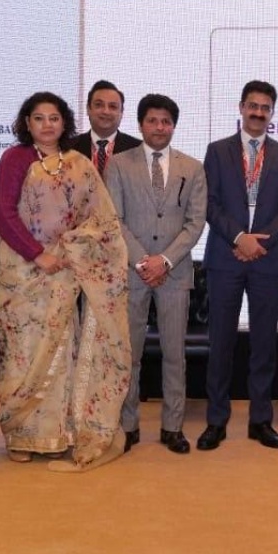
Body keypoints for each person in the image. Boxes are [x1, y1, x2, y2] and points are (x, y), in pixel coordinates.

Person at [0, 91, 131, 472]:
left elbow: (99, 218)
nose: (47, 125)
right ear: (27, 123)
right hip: (21, 274)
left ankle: (54, 436)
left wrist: (73, 247)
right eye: (39, 118)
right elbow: (3, 213)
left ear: (64, 122)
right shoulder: (15, 158)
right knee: (21, 354)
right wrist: (38, 254)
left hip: (63, 273)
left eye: (54, 118)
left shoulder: (78, 163)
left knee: (59, 352)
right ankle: (20, 435)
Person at [197, 81, 278, 451]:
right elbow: (209, 203)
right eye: (252, 105)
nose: (258, 113)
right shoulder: (217, 151)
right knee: (221, 343)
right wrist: (240, 238)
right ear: (241, 107)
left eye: (265, 107)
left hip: (266, 261)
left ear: (272, 112)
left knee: (263, 345)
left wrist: (260, 242)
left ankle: (260, 421)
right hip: (225, 258)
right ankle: (216, 421)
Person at [106, 94, 207, 455]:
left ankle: (172, 427)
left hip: (174, 274)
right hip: (132, 273)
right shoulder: (118, 165)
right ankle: (129, 425)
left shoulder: (192, 168)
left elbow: (195, 223)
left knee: (174, 354)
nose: (159, 127)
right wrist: (142, 262)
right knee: (129, 354)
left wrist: (164, 261)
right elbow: (114, 219)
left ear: (173, 126)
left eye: (166, 121)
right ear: (140, 124)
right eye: (152, 120)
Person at [73, 80, 142, 174]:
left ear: (121, 112)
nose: (106, 111)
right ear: (88, 109)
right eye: (99, 105)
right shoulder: (68, 148)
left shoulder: (138, 150)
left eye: (113, 106)